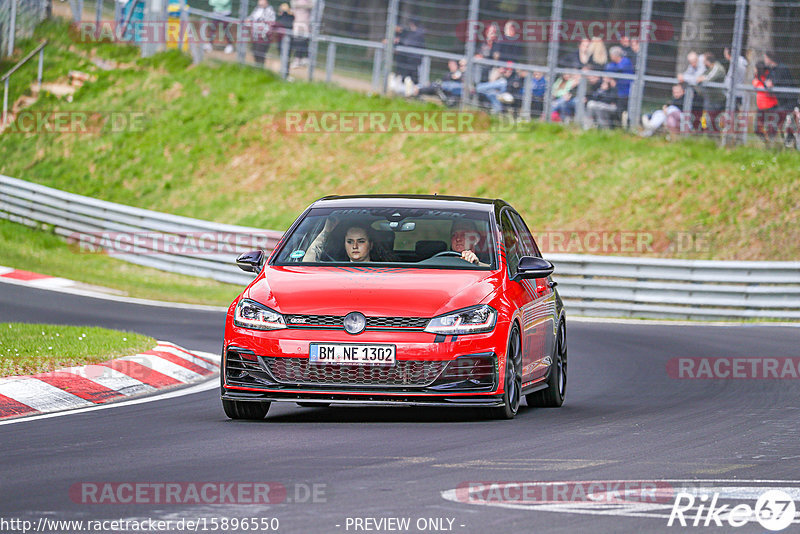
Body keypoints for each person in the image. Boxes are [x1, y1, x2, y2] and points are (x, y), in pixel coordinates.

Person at [752, 60, 779, 143]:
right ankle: (767, 142)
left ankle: (773, 144)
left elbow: (766, 87)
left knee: (771, 129)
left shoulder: (768, 76)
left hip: (771, 106)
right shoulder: (756, 79)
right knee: (757, 129)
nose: (754, 70)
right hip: (761, 108)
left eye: (755, 68)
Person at [246, 0, 275, 68]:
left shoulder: (270, 11)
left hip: (264, 36)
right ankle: (257, 68)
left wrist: (264, 29)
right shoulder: (257, 9)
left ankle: (260, 68)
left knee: (260, 53)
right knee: (255, 52)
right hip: (255, 35)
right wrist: (248, 20)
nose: (260, 2)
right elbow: (251, 17)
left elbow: (271, 23)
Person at [290, 0, 314, 68]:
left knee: (304, 41)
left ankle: (303, 58)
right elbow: (293, 5)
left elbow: (312, 6)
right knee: (297, 41)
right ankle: (297, 59)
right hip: (297, 22)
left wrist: (300, 6)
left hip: (306, 23)